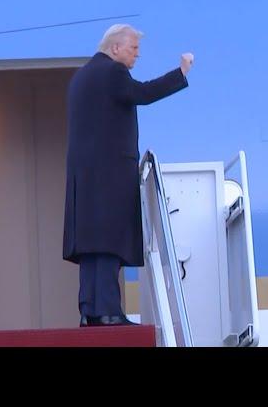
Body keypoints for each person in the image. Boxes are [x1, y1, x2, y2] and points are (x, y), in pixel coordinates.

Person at [62, 24, 194, 327]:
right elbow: (143, 93)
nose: (137, 55)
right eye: (134, 48)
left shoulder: (81, 77)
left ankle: (90, 311)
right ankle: (109, 311)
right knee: (110, 242)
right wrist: (181, 73)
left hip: (85, 178)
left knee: (92, 246)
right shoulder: (113, 72)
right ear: (116, 48)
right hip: (110, 174)